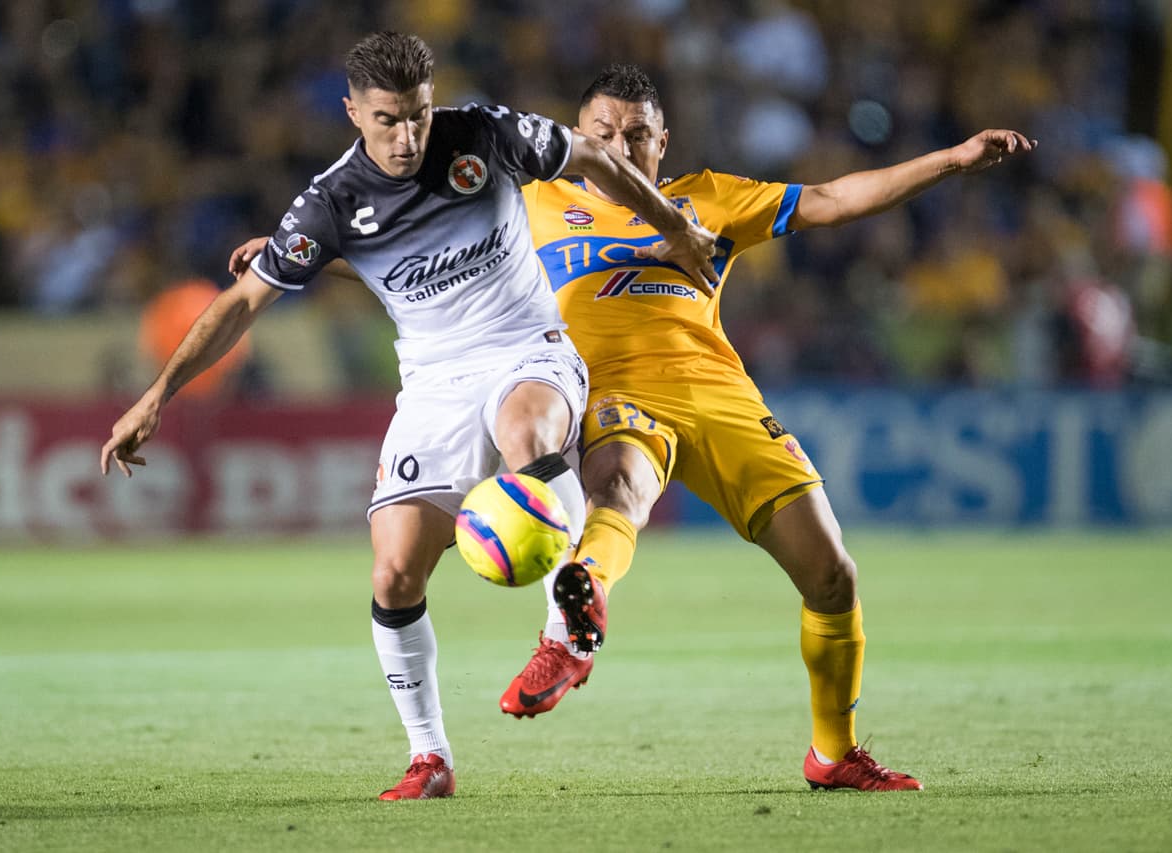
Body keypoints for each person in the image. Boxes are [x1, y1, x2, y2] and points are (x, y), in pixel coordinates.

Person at [102, 35, 717, 802]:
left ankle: (567, 630)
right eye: (388, 120)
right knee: (393, 571)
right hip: (433, 383)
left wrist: (677, 225)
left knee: (528, 433)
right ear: (353, 112)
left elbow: (594, 161)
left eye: (419, 116)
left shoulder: (485, 135)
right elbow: (238, 305)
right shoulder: (329, 203)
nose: (407, 138)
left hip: (529, 345)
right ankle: (430, 758)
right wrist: (158, 393)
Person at [501, 65, 1034, 792]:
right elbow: (425, 250)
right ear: (579, 137)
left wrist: (950, 160)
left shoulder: (710, 198)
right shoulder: (529, 203)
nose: (619, 147)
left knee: (832, 573)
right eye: (602, 134)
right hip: (612, 389)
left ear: (664, 141)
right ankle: (572, 623)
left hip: (721, 395)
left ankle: (833, 752)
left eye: (636, 135)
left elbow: (831, 199)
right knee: (618, 486)